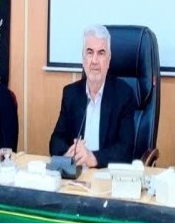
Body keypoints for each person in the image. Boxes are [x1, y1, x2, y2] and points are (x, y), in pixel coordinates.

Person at [49, 25, 135, 167]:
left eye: (101, 53)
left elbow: (126, 150)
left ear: (109, 60)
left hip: (106, 175)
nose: (94, 61)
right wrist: (70, 153)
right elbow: (56, 140)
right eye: (90, 52)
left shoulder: (124, 95)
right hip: (77, 173)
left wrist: (93, 158)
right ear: (83, 59)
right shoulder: (71, 94)